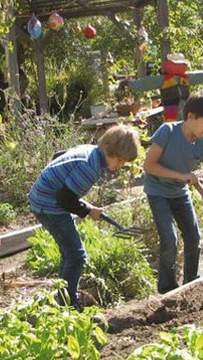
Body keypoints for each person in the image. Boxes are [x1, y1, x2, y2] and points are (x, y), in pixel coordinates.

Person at [28, 125, 141, 309]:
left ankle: (62, 298)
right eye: (119, 160)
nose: (120, 165)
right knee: (77, 256)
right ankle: (70, 304)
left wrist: (85, 206)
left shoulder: (90, 152)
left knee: (69, 253)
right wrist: (86, 210)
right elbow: (65, 199)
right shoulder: (91, 167)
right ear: (108, 149)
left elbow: (59, 156)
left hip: (44, 200)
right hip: (48, 205)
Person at [143, 93, 203, 294]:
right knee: (170, 239)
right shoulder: (167, 132)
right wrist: (181, 175)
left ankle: (191, 284)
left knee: (193, 237)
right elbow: (148, 165)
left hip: (179, 193)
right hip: (158, 191)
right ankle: (167, 289)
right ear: (191, 117)